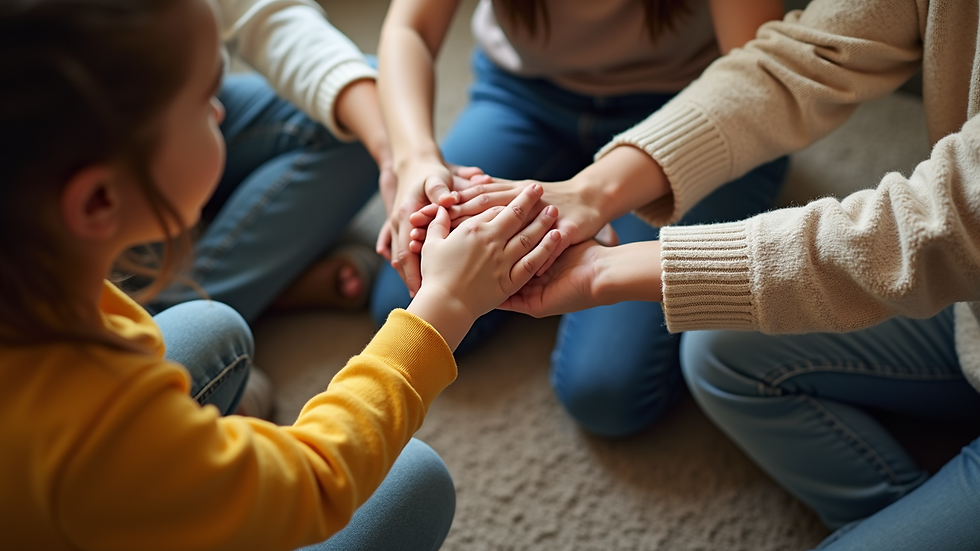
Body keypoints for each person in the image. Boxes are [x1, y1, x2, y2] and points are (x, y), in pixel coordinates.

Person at [0, 1, 562, 550]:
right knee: (413, 481)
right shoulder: (100, 421)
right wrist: (447, 304)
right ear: (99, 199)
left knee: (210, 325)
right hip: (96, 473)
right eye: (204, 101)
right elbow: (314, 483)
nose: (221, 110)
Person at [485, 0, 980, 548]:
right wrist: (591, 192)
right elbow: (801, 56)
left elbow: (943, 228)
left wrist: (612, 269)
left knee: (616, 380)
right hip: (970, 312)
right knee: (716, 348)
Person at [374, 0, 788, 437]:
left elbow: (758, 80)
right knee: (409, 297)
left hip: (694, 112)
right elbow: (411, 28)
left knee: (606, 395)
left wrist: (588, 196)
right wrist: (413, 159)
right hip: (527, 97)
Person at [146, 0, 392, 323]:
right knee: (214, 339)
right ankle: (182, 320)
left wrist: (394, 155)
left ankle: (208, 304)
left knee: (377, 108)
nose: (217, 112)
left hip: (169, 106)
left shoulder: (200, 100)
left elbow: (265, 13)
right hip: (119, 147)